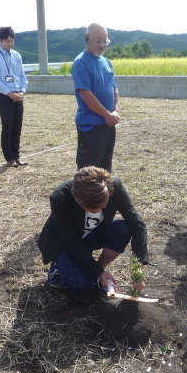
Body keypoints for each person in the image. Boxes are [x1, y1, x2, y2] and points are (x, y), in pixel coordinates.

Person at [37, 166, 148, 295]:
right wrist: (99, 273)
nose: (96, 211)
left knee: (123, 229)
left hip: (93, 233)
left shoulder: (115, 186)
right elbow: (71, 241)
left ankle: (97, 269)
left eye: (102, 205)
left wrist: (137, 267)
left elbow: (137, 224)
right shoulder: (60, 197)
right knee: (80, 286)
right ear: (75, 197)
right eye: (89, 208)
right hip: (65, 242)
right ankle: (57, 266)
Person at [71, 23, 120, 172]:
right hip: (91, 127)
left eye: (105, 41)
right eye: (98, 40)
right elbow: (86, 95)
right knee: (89, 174)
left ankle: (104, 196)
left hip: (108, 124)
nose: (102, 45)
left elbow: (114, 88)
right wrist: (106, 114)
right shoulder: (81, 63)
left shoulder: (106, 62)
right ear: (87, 38)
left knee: (105, 171)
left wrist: (116, 110)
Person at [0, 26, 29, 168]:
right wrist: (9, 93)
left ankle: (16, 156)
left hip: (18, 94)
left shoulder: (17, 55)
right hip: (4, 96)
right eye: (7, 41)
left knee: (17, 127)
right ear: (0, 40)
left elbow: (22, 76)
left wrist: (22, 90)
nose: (10, 44)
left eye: (12, 41)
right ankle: (9, 157)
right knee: (8, 127)